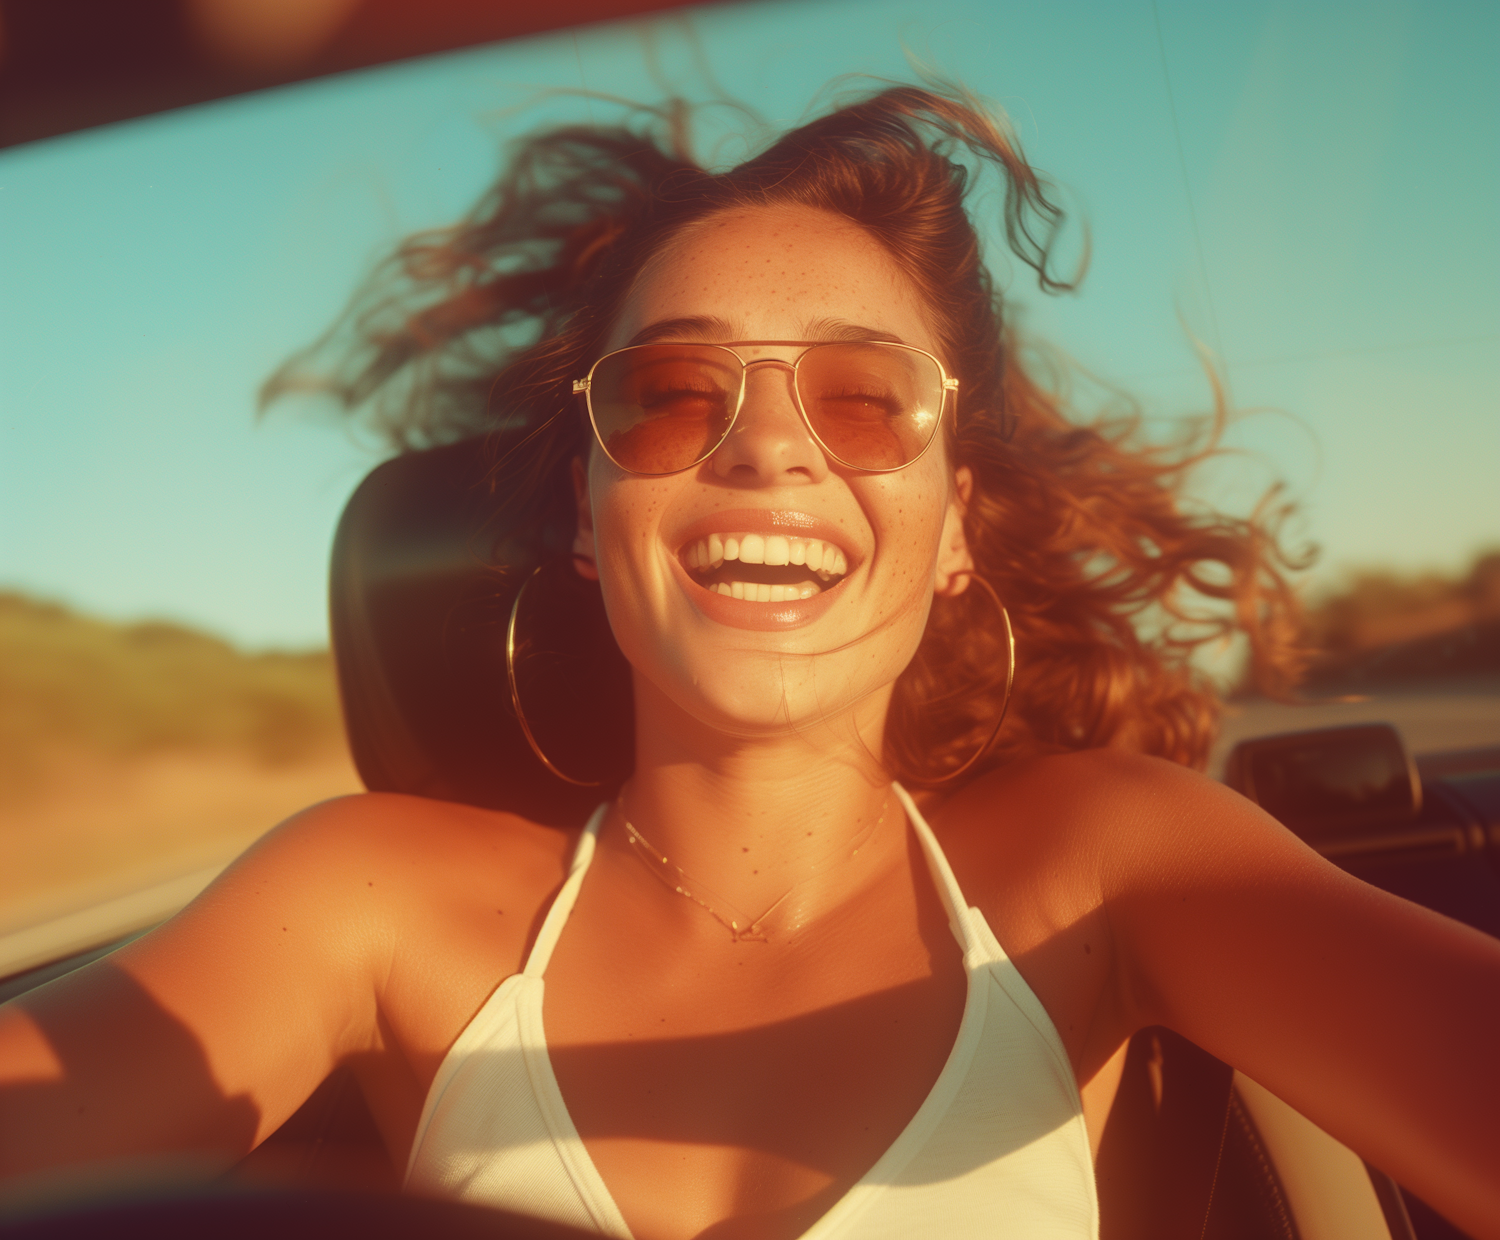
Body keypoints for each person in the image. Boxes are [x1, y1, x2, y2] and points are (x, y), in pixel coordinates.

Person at [2, 83, 1497, 1240]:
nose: (770, 444)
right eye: (669, 394)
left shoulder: (1111, 862)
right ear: (586, 520)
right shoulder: (366, 901)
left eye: (866, 399)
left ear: (954, 524)